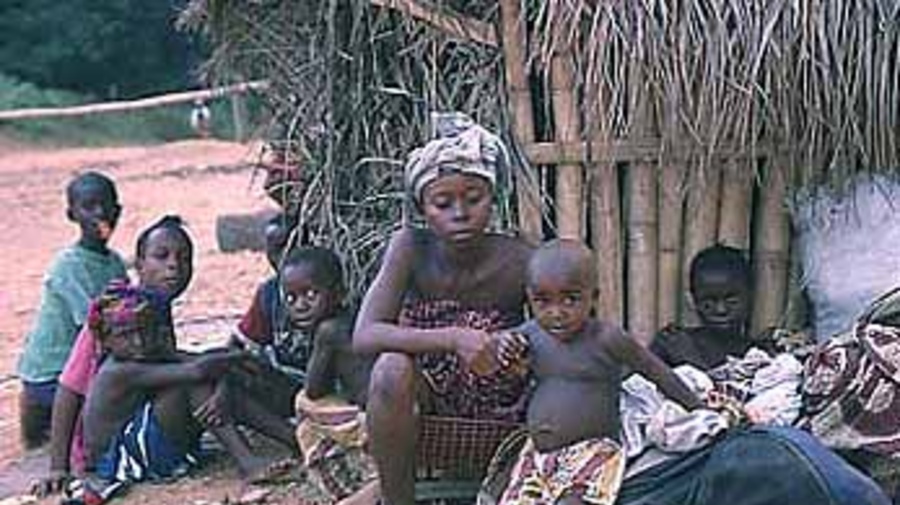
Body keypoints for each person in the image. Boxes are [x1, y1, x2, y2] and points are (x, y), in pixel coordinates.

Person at [353, 112, 534, 505]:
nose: (460, 213)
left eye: (474, 199)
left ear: (494, 198)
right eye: (442, 202)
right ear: (422, 207)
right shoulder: (410, 249)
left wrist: (514, 343)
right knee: (389, 369)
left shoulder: (520, 258)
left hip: (498, 402)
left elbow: (559, 326)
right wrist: (454, 338)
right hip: (427, 394)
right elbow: (365, 334)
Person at [495, 240, 703, 505]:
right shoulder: (530, 335)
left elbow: (656, 371)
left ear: (593, 297)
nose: (556, 313)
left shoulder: (605, 339)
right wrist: (504, 347)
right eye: (543, 301)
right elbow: (500, 354)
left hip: (591, 451)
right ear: (529, 298)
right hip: (538, 454)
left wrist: (698, 408)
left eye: (570, 299)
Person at [33, 216, 194, 496]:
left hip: (132, 420)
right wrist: (58, 467)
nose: (174, 266)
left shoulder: (157, 306)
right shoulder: (116, 315)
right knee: (195, 381)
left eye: (184, 258)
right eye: (162, 256)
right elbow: (69, 388)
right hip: (106, 447)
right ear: (140, 264)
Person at [73, 284, 276, 504]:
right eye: (126, 335)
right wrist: (238, 357)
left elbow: (201, 361)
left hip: (140, 447)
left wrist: (224, 384)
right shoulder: (118, 370)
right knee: (193, 386)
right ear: (106, 342)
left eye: (144, 331)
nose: (139, 341)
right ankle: (247, 461)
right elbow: (198, 370)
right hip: (120, 462)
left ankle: (293, 439)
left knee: (218, 390)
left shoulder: (146, 352)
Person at [17, 171, 127, 450]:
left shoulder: (114, 262)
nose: (100, 213)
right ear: (72, 215)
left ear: (119, 210)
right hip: (52, 376)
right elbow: (94, 327)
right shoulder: (69, 266)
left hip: (84, 364)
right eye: (88, 206)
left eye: (106, 205)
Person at [650, 244, 774, 370]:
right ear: (693, 300)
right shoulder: (672, 345)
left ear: (749, 296)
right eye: (708, 302)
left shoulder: (761, 356)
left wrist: (691, 360)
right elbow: (635, 386)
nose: (721, 310)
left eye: (732, 301)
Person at [231, 211, 298, 352]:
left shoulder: (322, 289)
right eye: (276, 250)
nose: (284, 257)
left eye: (292, 247)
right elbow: (243, 340)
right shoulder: (269, 293)